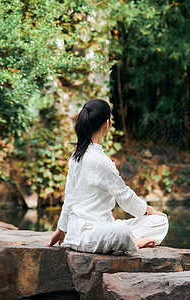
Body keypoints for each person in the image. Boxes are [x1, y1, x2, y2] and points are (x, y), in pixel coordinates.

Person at [47, 99, 168, 253]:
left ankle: (129, 239)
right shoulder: (101, 162)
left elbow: (69, 197)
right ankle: (133, 242)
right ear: (107, 124)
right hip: (90, 236)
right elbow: (125, 197)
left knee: (159, 221)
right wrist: (149, 210)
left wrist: (62, 228)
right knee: (123, 230)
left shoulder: (75, 156)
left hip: (91, 230)